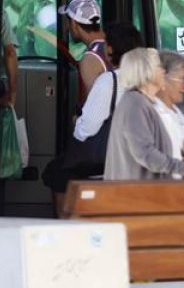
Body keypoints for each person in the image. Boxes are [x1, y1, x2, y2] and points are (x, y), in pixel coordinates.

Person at [44, 21, 143, 214]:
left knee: (55, 173)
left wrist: (76, 122)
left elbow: (86, 130)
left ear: (111, 49)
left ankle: (66, 223)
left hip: (106, 160)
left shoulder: (109, 81)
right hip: (136, 156)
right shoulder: (147, 79)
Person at [103, 47, 184, 181]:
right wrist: (183, 168)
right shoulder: (135, 103)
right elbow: (145, 152)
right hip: (135, 192)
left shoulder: (142, 102)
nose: (163, 71)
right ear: (146, 71)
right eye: (158, 66)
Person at [58, 0, 108, 108]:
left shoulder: (91, 59)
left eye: (68, 22)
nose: (67, 28)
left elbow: (92, 109)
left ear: (74, 23)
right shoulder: (112, 44)